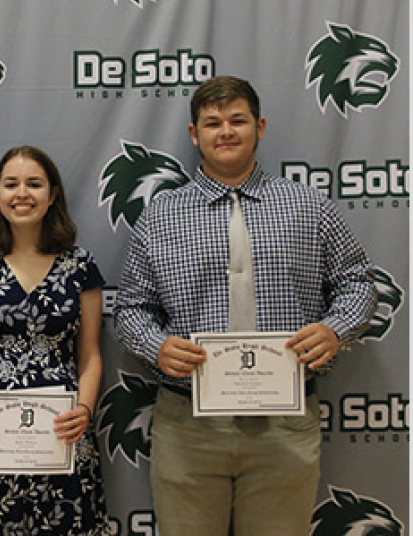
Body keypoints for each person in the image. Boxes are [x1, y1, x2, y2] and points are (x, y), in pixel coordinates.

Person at [114, 75, 376, 536]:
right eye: (212, 123)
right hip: (188, 421)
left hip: (284, 422)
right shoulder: (161, 215)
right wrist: (156, 346)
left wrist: (336, 329)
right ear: (195, 135)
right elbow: (132, 307)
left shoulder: (307, 206)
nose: (226, 131)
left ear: (260, 126)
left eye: (238, 120)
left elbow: (357, 281)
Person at [0, 146, 111, 535]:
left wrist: (83, 411)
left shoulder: (80, 265)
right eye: (11, 184)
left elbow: (89, 355)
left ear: (52, 195)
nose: (22, 194)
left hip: (61, 428)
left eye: (34, 184)